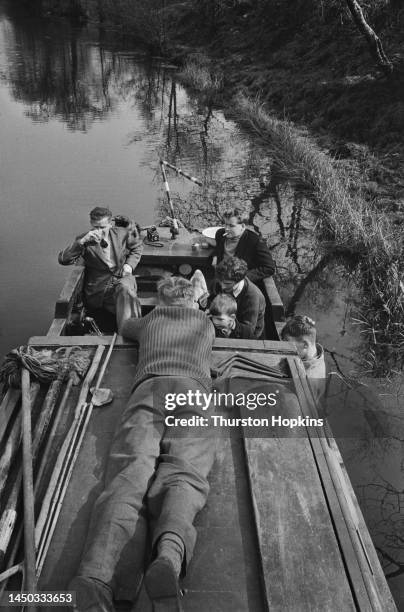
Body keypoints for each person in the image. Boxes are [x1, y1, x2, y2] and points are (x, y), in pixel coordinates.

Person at [69, 277, 216, 612]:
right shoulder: (206, 324)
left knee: (130, 471)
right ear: (194, 302)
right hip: (192, 389)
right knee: (185, 472)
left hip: (149, 389)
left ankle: (95, 576)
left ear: (161, 302)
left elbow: (124, 326)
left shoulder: (150, 320)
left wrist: (127, 292)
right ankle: (168, 554)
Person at [58, 206, 143, 329]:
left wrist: (129, 265)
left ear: (110, 224)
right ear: (91, 224)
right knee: (116, 308)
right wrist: (81, 243)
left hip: (122, 278)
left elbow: (137, 248)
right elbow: (63, 260)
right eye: (96, 227)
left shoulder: (122, 234)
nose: (99, 231)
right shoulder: (84, 239)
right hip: (98, 288)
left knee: (126, 290)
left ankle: (129, 330)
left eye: (103, 227)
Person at [212, 208, 275, 284]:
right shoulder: (220, 234)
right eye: (225, 224)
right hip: (220, 277)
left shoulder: (255, 241)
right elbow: (217, 248)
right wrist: (215, 257)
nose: (226, 229)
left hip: (239, 283)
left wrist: (242, 278)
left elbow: (269, 268)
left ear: (242, 226)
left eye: (231, 226)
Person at [214, 256, 266, 339]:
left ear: (239, 281)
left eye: (227, 284)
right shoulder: (223, 280)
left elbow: (249, 330)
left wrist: (231, 324)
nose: (222, 287)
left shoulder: (252, 296)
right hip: (225, 321)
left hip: (247, 335)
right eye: (220, 282)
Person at [281, 315, 326, 400]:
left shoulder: (308, 380)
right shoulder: (315, 352)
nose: (284, 347)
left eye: (289, 344)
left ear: (305, 344)